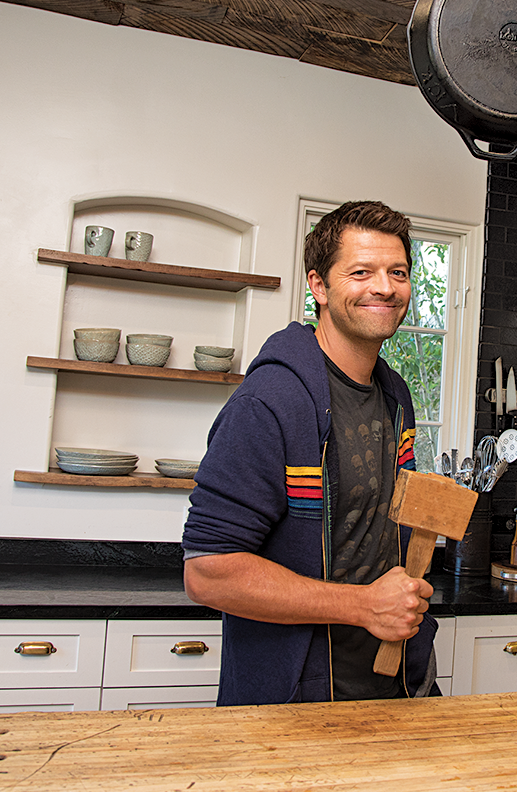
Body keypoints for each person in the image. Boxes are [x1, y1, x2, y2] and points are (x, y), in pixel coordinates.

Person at [182, 200, 440, 706]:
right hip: (295, 698)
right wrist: (364, 606)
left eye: (398, 272)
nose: (384, 288)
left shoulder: (395, 396)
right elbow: (208, 571)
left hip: (397, 683)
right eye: (361, 272)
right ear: (318, 285)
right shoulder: (269, 403)